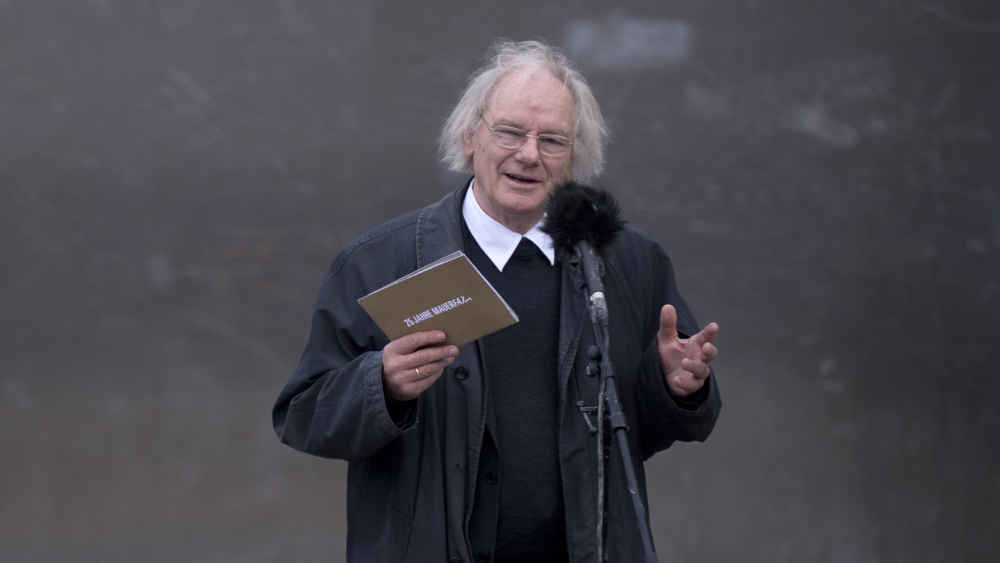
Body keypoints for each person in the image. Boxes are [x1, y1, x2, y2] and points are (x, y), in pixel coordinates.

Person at [272, 40, 721, 563]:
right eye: (509, 132)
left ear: (575, 157)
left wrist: (676, 388)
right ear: (470, 138)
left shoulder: (628, 263)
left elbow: (654, 430)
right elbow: (303, 415)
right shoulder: (380, 263)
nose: (528, 155)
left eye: (552, 140)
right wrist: (383, 385)